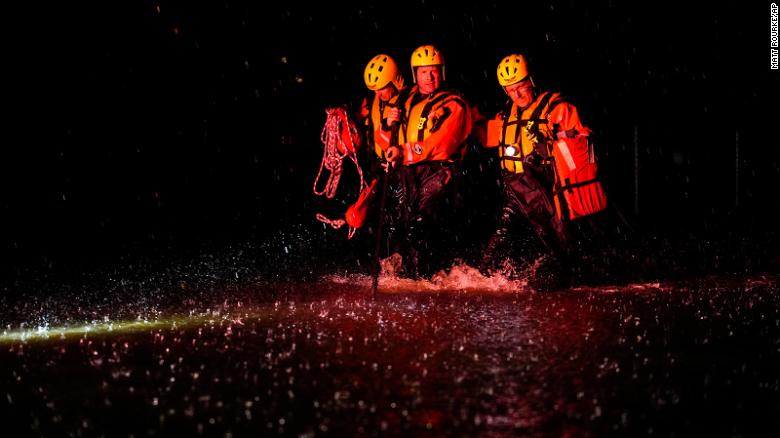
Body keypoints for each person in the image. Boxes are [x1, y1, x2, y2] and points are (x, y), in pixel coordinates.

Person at [481, 53, 607, 290]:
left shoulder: (557, 108)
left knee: (562, 245)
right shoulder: (506, 114)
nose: (517, 95)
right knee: (497, 243)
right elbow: (483, 134)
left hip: (548, 188)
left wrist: (551, 146)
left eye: (521, 87)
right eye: (510, 90)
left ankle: (582, 283)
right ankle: (486, 283)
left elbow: (583, 142)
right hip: (516, 190)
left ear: (532, 81)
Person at [378, 44, 474, 278]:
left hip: (439, 172)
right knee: (396, 224)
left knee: (419, 225)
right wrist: (388, 124)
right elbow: (384, 142)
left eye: (434, 71)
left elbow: (441, 144)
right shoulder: (404, 100)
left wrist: (403, 151)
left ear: (442, 71)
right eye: (423, 72)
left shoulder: (454, 103)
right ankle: (403, 276)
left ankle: (425, 279)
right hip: (409, 172)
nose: (429, 77)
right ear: (415, 74)